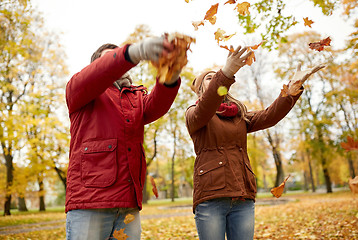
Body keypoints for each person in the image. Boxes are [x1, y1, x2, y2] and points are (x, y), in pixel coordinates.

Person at [185, 45, 325, 240]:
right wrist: (225, 72)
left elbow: (270, 116)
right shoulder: (194, 114)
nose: (215, 77)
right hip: (211, 197)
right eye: (210, 78)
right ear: (200, 89)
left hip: (242, 196)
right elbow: (208, 105)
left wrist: (292, 88)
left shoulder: (238, 115)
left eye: (216, 76)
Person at [65, 36, 182, 240]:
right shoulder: (81, 90)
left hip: (128, 200)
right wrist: (133, 52)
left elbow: (157, 104)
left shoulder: (135, 97)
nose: (116, 62)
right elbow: (94, 76)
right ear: (97, 66)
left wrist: (169, 73)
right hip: (90, 200)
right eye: (110, 58)